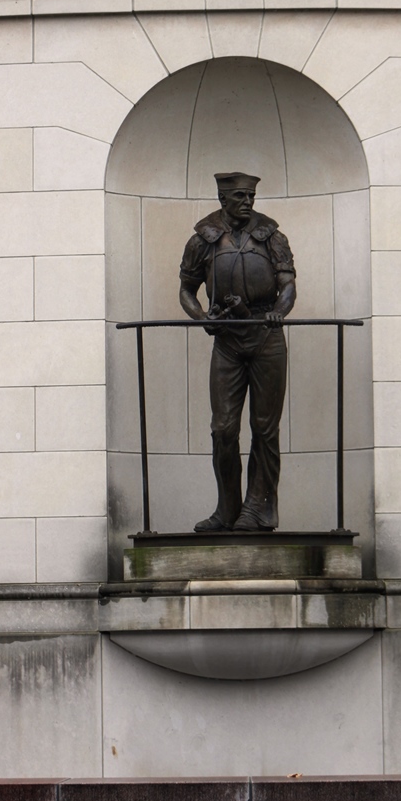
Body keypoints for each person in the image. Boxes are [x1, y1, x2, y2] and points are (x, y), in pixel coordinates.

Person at [179, 172, 296, 532]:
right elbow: (186, 289)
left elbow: (288, 285)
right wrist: (202, 317)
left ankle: (258, 508)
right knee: (223, 429)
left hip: (265, 334)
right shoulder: (203, 241)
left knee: (264, 426)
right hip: (227, 339)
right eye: (240, 196)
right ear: (222, 198)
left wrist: (280, 310)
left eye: (251, 195)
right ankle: (227, 508)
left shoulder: (273, 237)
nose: (247, 201)